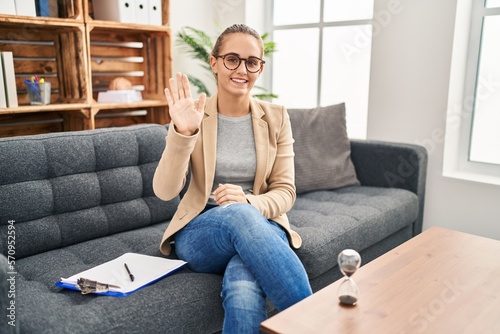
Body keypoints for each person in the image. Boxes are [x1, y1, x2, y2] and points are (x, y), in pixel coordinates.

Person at [153, 23, 312, 334]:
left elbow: (285, 191)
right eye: (232, 59)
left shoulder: (276, 117)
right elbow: (164, 190)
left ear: (260, 68)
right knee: (238, 214)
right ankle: (312, 324)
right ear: (214, 62)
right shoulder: (194, 114)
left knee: (243, 287)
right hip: (201, 234)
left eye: (252, 62)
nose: (242, 69)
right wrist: (183, 133)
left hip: (262, 226)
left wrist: (249, 201)